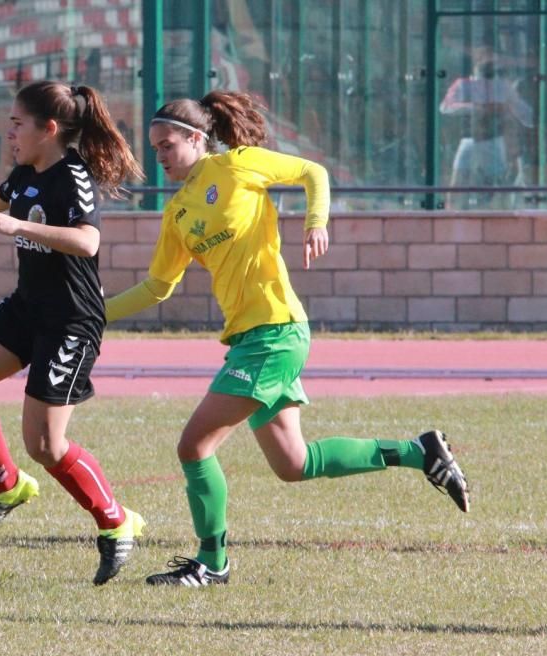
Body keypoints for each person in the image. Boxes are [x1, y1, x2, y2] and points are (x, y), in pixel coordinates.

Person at [105, 90, 470, 587]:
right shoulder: (179, 212)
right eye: (155, 148)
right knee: (294, 464)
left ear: (197, 138)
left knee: (193, 446)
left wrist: (316, 222)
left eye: (167, 145)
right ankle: (418, 451)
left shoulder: (237, 166)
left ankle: (212, 563)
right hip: (252, 339)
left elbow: (311, 173)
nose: (160, 155)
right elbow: (158, 287)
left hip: (275, 332)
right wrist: (96, 313)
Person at [0, 81, 146, 584]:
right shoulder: (27, 172)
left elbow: (87, 240)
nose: (9, 132)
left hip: (71, 322)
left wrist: (20, 228)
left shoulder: (73, 177)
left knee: (46, 446)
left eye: (17, 124)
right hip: (26, 308)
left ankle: (116, 523)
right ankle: (7, 484)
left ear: (48, 129)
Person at [439, 57, 533, 209]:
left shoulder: (502, 86)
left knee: (499, 181)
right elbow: (445, 107)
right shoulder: (463, 85)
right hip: (470, 139)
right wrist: (475, 107)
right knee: (458, 178)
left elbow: (524, 112)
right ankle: (450, 212)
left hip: (494, 139)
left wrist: (508, 108)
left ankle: (501, 215)